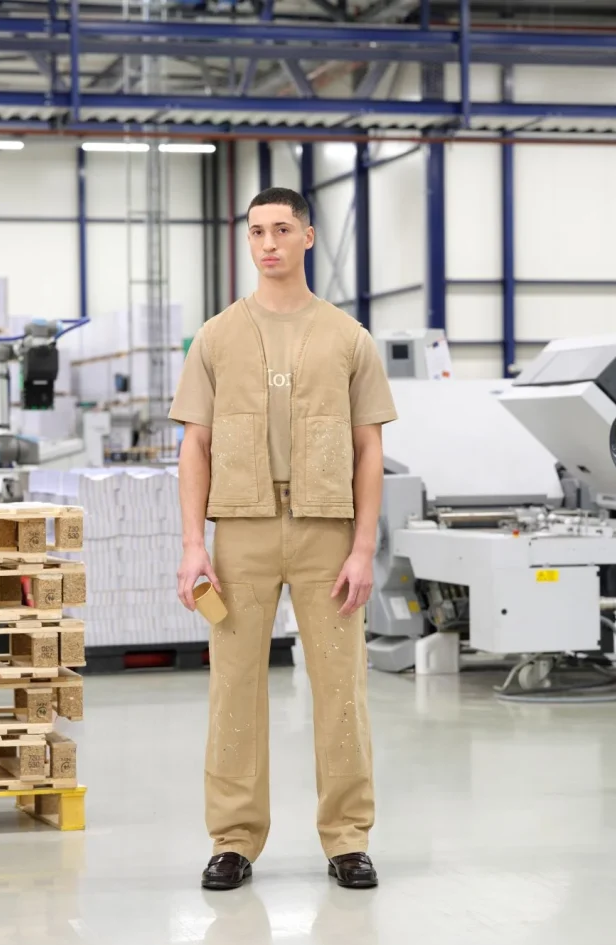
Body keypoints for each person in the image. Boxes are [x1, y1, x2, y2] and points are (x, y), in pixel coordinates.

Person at [169, 186, 397, 891]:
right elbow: (195, 446)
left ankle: (348, 839)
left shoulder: (349, 338)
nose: (267, 243)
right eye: (256, 231)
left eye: (281, 230)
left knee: (341, 689)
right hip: (241, 531)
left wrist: (363, 548)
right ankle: (233, 840)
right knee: (234, 689)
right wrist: (193, 544)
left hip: (327, 531)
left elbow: (369, 450)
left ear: (307, 236)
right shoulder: (216, 337)